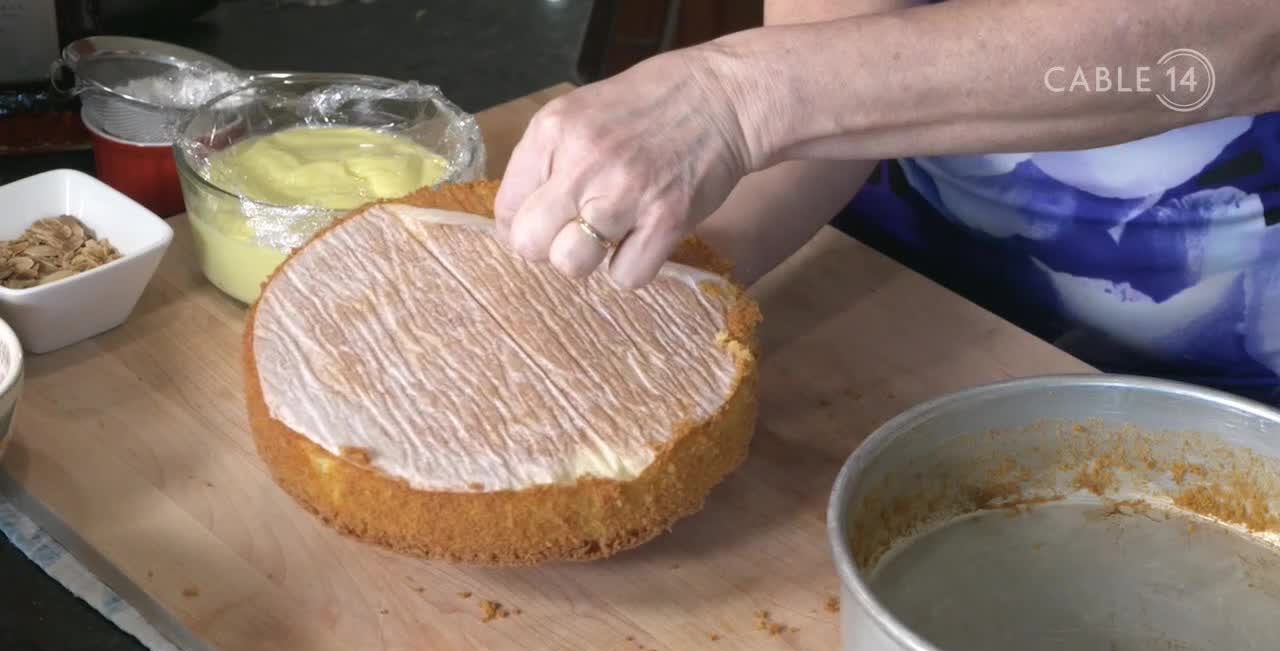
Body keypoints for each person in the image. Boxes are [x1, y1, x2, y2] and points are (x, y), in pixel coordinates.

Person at [494, 0, 1280, 404]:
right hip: (902, 296)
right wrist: (673, 294)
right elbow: (838, 60)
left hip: (1234, 361)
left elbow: (1225, 51)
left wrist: (736, 96)